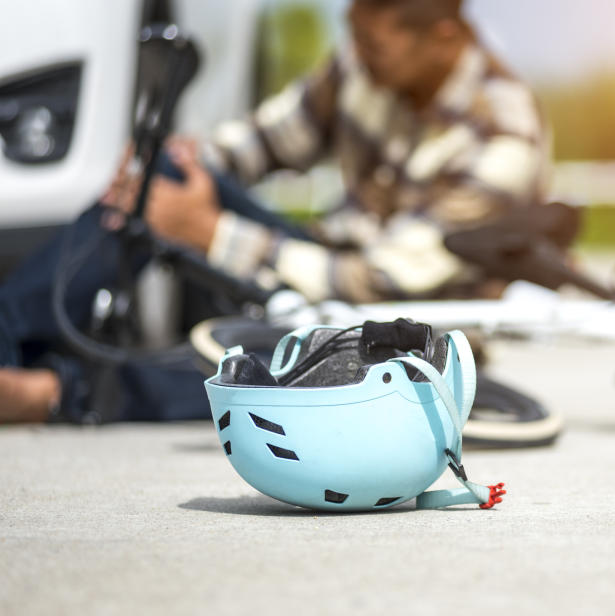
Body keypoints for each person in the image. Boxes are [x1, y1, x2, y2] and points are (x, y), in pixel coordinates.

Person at [0, 0, 551, 424]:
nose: (356, 55)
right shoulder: (365, 61)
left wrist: (212, 233)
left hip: (408, 322)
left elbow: (380, 281)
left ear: (444, 36)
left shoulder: (502, 135)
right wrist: (182, 162)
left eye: (373, 46)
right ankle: (4, 332)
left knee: (300, 373)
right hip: (321, 261)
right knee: (162, 177)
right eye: (353, 36)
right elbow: (263, 141)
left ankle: (52, 394)